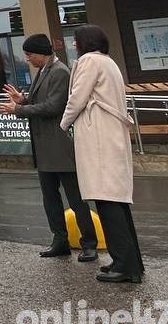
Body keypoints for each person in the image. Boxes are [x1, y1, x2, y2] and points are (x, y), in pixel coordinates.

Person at [0, 33, 98, 261]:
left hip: (60, 147)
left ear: (42, 53)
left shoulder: (60, 72)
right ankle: (60, 240)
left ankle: (89, 243)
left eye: (29, 54)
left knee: (76, 199)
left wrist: (19, 110)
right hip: (44, 148)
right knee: (50, 198)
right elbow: (40, 104)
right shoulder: (43, 71)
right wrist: (22, 101)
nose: (27, 59)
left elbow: (53, 107)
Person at [61, 25, 145, 284]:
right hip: (112, 133)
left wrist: (64, 123)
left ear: (85, 42)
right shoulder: (109, 62)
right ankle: (130, 261)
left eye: (76, 40)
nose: (74, 45)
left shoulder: (89, 61)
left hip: (98, 136)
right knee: (117, 201)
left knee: (106, 200)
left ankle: (125, 266)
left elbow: (77, 98)